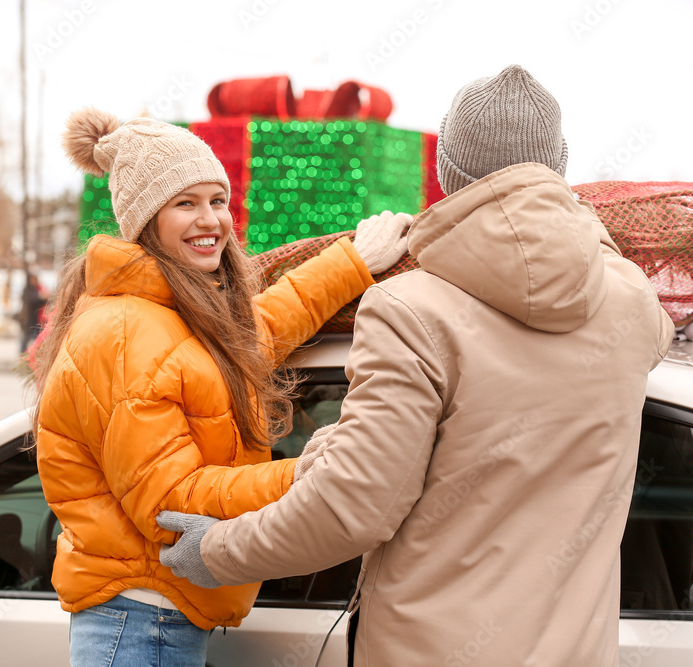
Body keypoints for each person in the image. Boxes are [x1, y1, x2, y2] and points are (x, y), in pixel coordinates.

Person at [157, 65, 676, 666]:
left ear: (445, 172)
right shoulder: (630, 300)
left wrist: (216, 551)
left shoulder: (408, 311)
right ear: (558, 165)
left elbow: (351, 508)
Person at [33, 108, 411, 667]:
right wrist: (305, 471)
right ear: (144, 220)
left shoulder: (174, 309)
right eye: (184, 203)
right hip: (142, 623)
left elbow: (260, 329)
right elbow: (169, 501)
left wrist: (353, 261)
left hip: (159, 613)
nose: (209, 219)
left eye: (216, 200)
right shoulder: (123, 330)